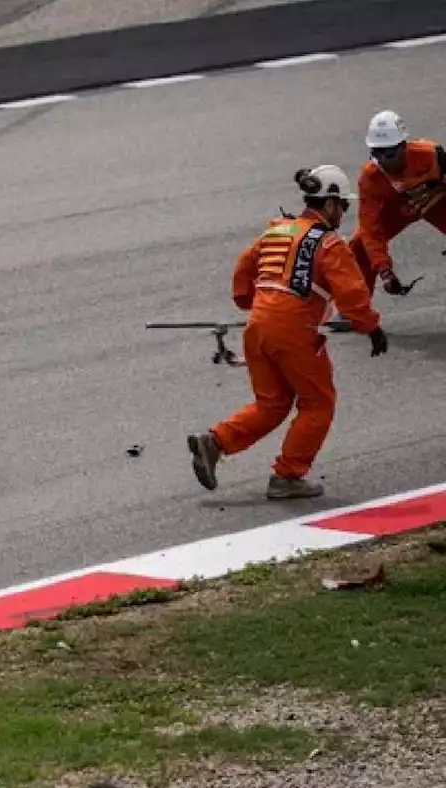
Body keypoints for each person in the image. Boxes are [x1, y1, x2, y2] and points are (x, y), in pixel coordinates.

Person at [187, 166, 388, 500]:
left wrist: (252, 304)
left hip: (258, 327)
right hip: (295, 331)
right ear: (331, 204)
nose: (344, 214)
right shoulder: (329, 243)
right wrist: (371, 326)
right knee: (318, 403)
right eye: (344, 207)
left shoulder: (276, 232)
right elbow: (352, 293)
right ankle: (288, 476)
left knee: (273, 403)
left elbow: (243, 271)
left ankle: (215, 441)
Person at [348, 110, 446, 298]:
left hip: (434, 201)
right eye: (377, 153)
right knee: (359, 245)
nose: (383, 160)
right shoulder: (369, 178)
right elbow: (371, 228)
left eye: (390, 153)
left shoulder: (432, 155)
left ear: (404, 146)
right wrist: (384, 270)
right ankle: (356, 307)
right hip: (399, 210)